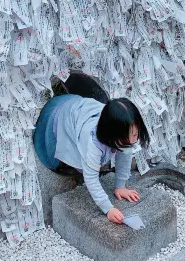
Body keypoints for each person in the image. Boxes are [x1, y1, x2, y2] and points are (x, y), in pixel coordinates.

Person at [33, 94, 149, 224]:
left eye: (135, 134)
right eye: (129, 137)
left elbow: (125, 156)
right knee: (79, 159)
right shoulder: (93, 144)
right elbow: (91, 178)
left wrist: (120, 186)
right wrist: (108, 209)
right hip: (59, 117)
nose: (133, 140)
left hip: (79, 109)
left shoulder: (122, 129)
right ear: (112, 135)